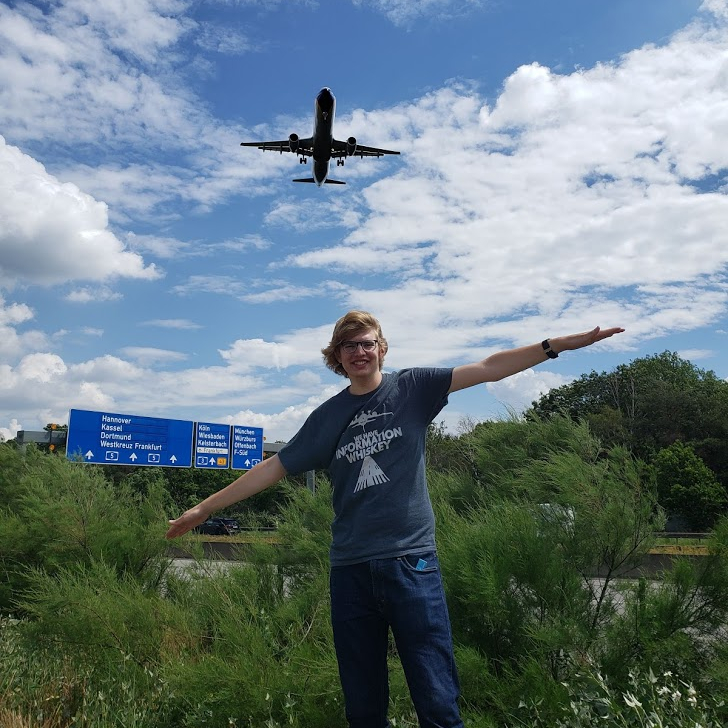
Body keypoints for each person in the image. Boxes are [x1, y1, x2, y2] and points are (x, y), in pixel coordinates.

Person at [166, 311, 624, 728]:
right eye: (349, 346)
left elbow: (488, 368)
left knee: (436, 698)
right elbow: (274, 467)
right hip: (350, 569)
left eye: (367, 343)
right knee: (363, 705)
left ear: (382, 348)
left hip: (411, 563)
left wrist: (554, 346)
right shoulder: (327, 417)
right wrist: (205, 508)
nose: (359, 352)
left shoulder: (413, 388)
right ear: (337, 357)